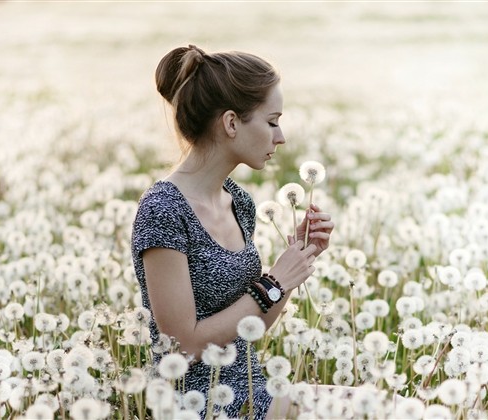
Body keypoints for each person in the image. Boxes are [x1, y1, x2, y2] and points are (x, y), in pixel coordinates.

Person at [131, 45, 335, 419]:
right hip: (200, 403)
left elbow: (251, 325)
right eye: (272, 121)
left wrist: (296, 262)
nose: (281, 137)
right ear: (230, 123)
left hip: (253, 388)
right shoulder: (163, 210)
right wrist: (274, 281)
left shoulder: (238, 202)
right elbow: (182, 346)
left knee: (387, 406)